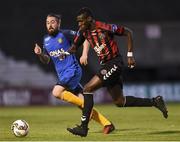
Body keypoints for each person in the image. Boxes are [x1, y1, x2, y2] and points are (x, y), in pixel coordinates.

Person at [66, 7, 168, 137]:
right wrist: (67, 52)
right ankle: (155, 101)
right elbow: (75, 47)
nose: (79, 24)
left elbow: (128, 32)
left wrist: (130, 55)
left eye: (81, 21)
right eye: (78, 21)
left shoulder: (104, 27)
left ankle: (83, 127)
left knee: (87, 89)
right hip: (106, 65)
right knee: (120, 101)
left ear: (89, 19)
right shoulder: (83, 32)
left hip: (115, 62)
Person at [33, 13, 115, 134]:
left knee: (56, 92)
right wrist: (40, 54)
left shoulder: (65, 34)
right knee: (83, 104)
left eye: (52, 22)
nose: (50, 25)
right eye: (47, 22)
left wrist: (84, 54)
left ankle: (87, 109)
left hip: (72, 70)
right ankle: (107, 124)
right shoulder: (46, 39)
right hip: (63, 75)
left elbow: (86, 37)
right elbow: (47, 60)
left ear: (58, 23)